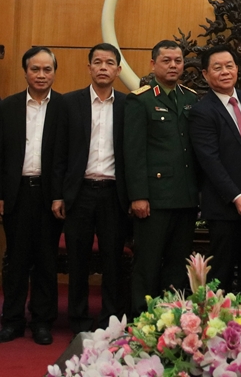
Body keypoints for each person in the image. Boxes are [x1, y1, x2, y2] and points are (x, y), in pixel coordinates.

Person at [51, 43, 129, 335]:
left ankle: (110, 319)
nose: (103, 67)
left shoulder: (128, 105)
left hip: (113, 193)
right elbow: (59, 152)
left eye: (109, 63)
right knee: (78, 259)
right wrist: (58, 195)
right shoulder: (69, 103)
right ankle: (78, 319)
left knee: (113, 259)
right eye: (97, 62)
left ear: (118, 70)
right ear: (89, 68)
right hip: (79, 192)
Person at [189, 45, 241, 306]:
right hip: (225, 208)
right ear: (205, 74)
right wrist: (236, 197)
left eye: (229, 66)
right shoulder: (202, 111)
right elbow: (210, 161)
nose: (225, 72)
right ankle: (217, 323)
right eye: (217, 67)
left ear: (237, 69)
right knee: (221, 273)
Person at [124, 39, 199, 316]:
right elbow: (133, 153)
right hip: (153, 199)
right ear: (153, 64)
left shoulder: (190, 98)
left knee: (178, 265)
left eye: (178, 61)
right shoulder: (140, 100)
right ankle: (141, 320)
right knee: (148, 263)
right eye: (166, 60)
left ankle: (172, 319)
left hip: (185, 197)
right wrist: (138, 196)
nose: (173, 65)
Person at [0, 47, 63, 345]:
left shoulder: (65, 107)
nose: (41, 75)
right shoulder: (7, 106)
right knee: (16, 259)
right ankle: (12, 320)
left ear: (54, 72)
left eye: (47, 69)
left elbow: (68, 155)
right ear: (25, 72)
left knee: (46, 259)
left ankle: (42, 321)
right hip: (17, 192)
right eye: (35, 69)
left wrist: (61, 195)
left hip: (51, 196)